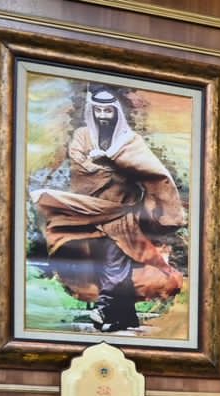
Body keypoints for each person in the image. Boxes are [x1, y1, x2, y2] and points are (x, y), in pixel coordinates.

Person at [30, 85, 185, 333]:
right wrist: (113, 167)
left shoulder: (131, 141)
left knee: (115, 260)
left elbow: (149, 170)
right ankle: (126, 317)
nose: (103, 115)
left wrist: (113, 161)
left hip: (121, 215)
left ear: (116, 112)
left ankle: (105, 309)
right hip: (91, 213)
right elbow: (81, 168)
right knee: (103, 263)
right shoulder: (82, 136)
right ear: (92, 111)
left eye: (108, 111)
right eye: (99, 110)